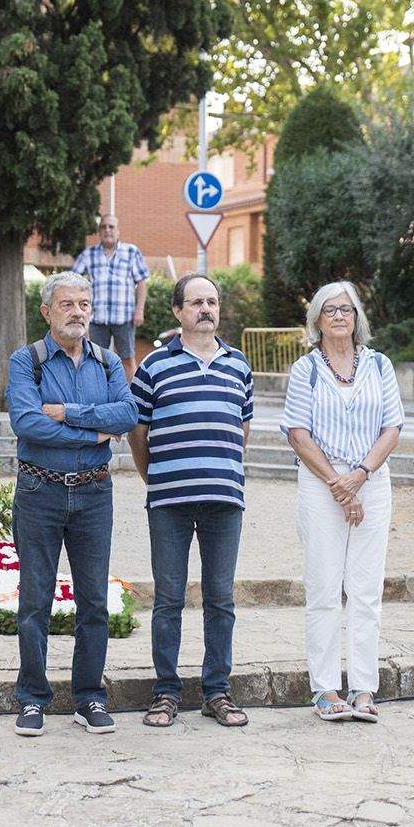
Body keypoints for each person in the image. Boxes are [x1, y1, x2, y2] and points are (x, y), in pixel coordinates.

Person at [4, 271, 137, 737]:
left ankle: (89, 698)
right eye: (67, 304)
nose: (78, 312)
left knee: (94, 601)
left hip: (94, 492)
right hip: (39, 492)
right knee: (35, 600)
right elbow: (26, 423)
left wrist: (69, 413)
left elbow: (128, 413)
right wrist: (94, 431)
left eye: (84, 303)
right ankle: (33, 699)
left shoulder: (107, 363)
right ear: (47, 312)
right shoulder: (28, 362)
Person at [128, 273, 254, 729]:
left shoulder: (239, 365)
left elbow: (243, 428)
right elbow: (137, 433)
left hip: (224, 501)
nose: (206, 309)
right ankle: (165, 693)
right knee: (168, 599)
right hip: (169, 501)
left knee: (221, 599)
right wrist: (155, 479)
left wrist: (226, 472)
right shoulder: (153, 366)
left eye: (213, 302)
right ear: (178, 311)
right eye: (197, 302)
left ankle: (217, 691)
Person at [281, 282, 405, 723]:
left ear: (357, 318)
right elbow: (297, 433)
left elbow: (392, 427)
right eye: (329, 310)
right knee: (324, 587)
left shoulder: (380, 365)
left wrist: (360, 476)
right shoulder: (305, 369)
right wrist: (338, 484)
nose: (338, 316)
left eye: (346, 309)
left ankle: (365, 688)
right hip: (322, 481)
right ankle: (326, 689)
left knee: (367, 589)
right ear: (316, 320)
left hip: (371, 478)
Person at [72, 214, 149, 371]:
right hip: (96, 319)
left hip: (125, 318)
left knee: (127, 359)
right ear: (99, 231)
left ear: (118, 231)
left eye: (111, 226)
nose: (108, 230)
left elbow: (141, 282)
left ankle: (132, 396)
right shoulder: (88, 254)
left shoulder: (131, 252)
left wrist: (139, 310)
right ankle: (99, 395)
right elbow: (73, 280)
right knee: (95, 360)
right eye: (104, 227)